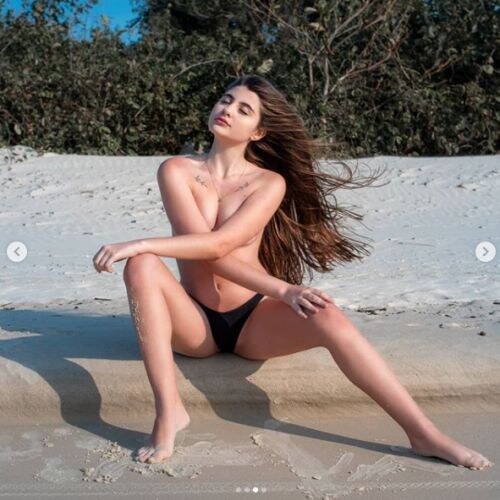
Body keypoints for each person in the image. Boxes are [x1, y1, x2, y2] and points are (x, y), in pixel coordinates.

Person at [92, 74, 493, 469]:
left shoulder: (268, 183)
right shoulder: (176, 170)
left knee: (328, 315)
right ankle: (169, 413)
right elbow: (205, 248)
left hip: (252, 320)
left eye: (244, 109)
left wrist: (143, 242)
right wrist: (143, 249)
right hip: (194, 321)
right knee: (142, 266)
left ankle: (423, 434)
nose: (228, 109)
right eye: (226, 100)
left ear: (258, 132)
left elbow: (220, 246)